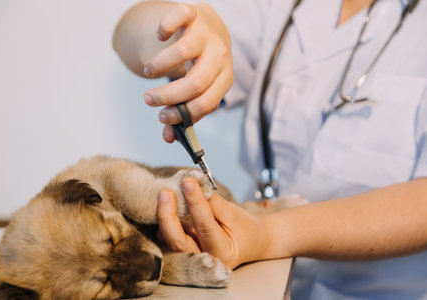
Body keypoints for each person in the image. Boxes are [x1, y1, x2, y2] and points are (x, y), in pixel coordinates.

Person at [113, 0, 427, 298]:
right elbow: (128, 35)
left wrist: (271, 234)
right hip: (257, 280)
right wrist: (183, 33)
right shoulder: (275, 7)